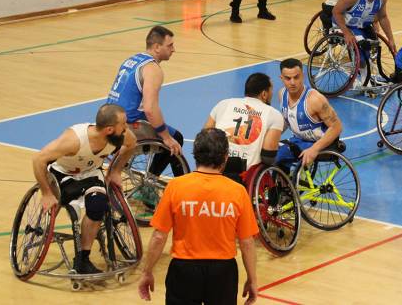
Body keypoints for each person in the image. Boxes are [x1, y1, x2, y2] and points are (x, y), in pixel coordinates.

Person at [138, 129, 259, 305]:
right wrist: (252, 279)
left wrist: (147, 272)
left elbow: (158, 236)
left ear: (195, 155)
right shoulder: (238, 192)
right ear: (225, 157)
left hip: (184, 271)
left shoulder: (176, 187)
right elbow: (247, 242)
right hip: (223, 273)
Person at [32, 104, 137, 274]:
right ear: (109, 130)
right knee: (64, 203)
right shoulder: (74, 140)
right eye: (123, 125)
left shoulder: (122, 136)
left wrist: (116, 170)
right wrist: (46, 193)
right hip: (63, 175)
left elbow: (132, 145)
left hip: (90, 175)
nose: (127, 128)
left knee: (98, 206)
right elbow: (38, 160)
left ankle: (83, 259)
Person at [106, 25, 184, 180]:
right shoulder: (152, 69)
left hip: (108, 116)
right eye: (170, 45)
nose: (173, 49)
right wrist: (166, 138)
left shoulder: (132, 59)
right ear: (156, 47)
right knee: (176, 140)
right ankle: (156, 183)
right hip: (128, 124)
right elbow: (150, 109)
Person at [202, 72, 284, 183]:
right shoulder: (274, 114)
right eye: (271, 91)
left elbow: (204, 137)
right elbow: (268, 156)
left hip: (215, 167)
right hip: (244, 174)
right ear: (264, 94)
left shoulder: (223, 104)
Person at [276, 58, 343, 167]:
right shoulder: (282, 94)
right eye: (288, 78)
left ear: (303, 76)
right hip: (299, 141)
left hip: (319, 144)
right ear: (281, 78)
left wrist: (314, 149)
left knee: (278, 155)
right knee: (268, 149)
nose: (292, 82)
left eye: (296, 77)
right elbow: (287, 119)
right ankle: (283, 181)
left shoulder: (315, 99)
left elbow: (337, 127)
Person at [332, 0, 396, 54]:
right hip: (344, 25)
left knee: (373, 45)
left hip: (361, 26)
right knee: (363, 53)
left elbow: (383, 17)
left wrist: (391, 39)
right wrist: (346, 32)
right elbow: (336, 12)